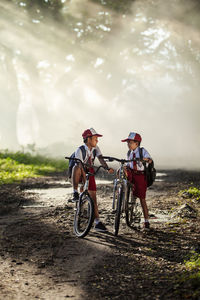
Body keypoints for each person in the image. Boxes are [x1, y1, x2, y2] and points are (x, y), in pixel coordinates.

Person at [72, 128, 114, 232]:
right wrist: (84, 182)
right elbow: (80, 166)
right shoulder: (80, 150)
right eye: (95, 138)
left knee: (93, 197)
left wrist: (107, 168)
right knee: (76, 167)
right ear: (88, 139)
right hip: (79, 171)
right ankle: (75, 192)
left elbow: (101, 159)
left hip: (89, 170)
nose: (97, 140)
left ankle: (97, 222)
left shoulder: (96, 148)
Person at [121, 132, 152, 229]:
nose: (128, 144)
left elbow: (150, 159)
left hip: (140, 176)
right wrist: (126, 166)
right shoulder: (129, 152)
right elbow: (128, 162)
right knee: (123, 174)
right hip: (131, 173)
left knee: (142, 198)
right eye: (127, 142)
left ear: (136, 143)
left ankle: (146, 221)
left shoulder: (142, 151)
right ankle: (124, 203)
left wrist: (144, 159)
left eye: (130, 142)